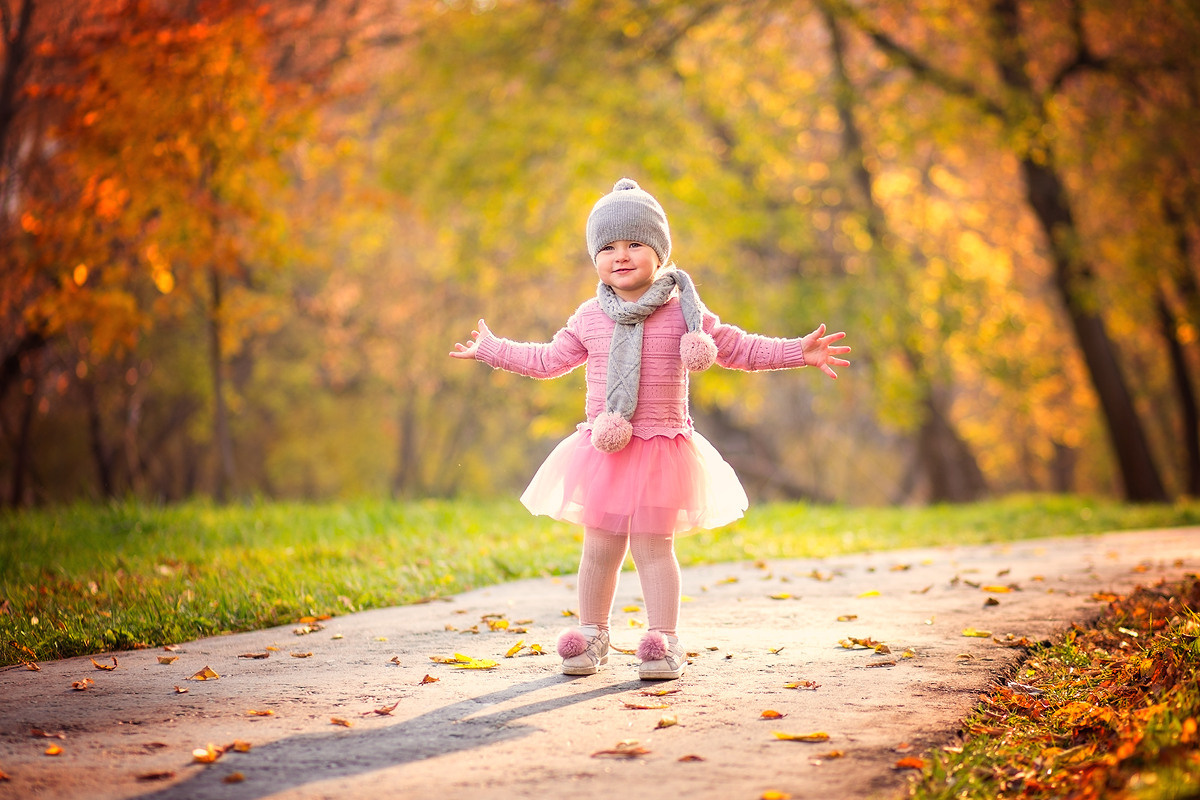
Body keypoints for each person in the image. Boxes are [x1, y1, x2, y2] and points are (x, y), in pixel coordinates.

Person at [450, 178, 850, 680]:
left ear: (660, 253)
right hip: (606, 451)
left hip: (661, 449)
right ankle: (593, 635)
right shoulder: (590, 316)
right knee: (599, 548)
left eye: (635, 244)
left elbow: (740, 348)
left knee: (653, 548)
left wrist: (798, 351)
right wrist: (493, 349)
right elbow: (549, 360)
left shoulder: (685, 311)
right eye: (608, 247)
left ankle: (664, 642)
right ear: (595, 257)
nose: (621, 255)